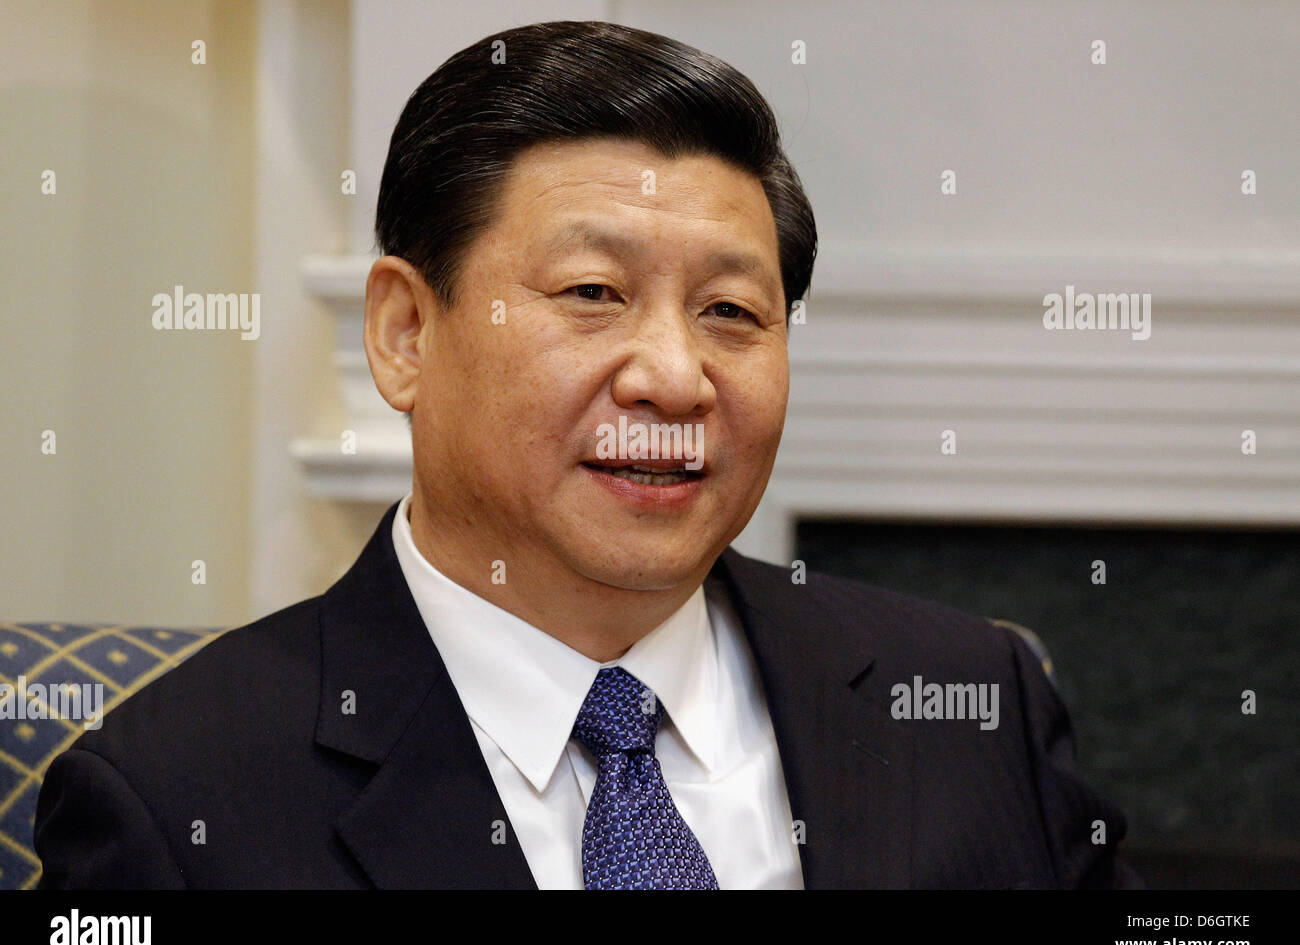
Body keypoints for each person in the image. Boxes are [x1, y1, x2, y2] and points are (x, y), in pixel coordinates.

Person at [35, 20, 1137, 889]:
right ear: (405, 334)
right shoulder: (181, 797)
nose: (673, 375)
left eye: (731, 311)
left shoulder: (965, 698)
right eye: (592, 294)